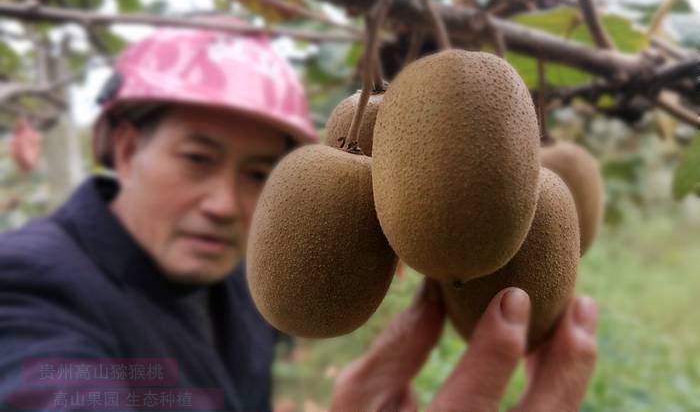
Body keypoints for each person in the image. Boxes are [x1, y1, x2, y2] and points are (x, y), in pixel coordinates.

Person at [0, 24, 597, 412]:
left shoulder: (235, 283)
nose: (224, 203)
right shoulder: (28, 288)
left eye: (260, 173)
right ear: (127, 149)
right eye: (197, 158)